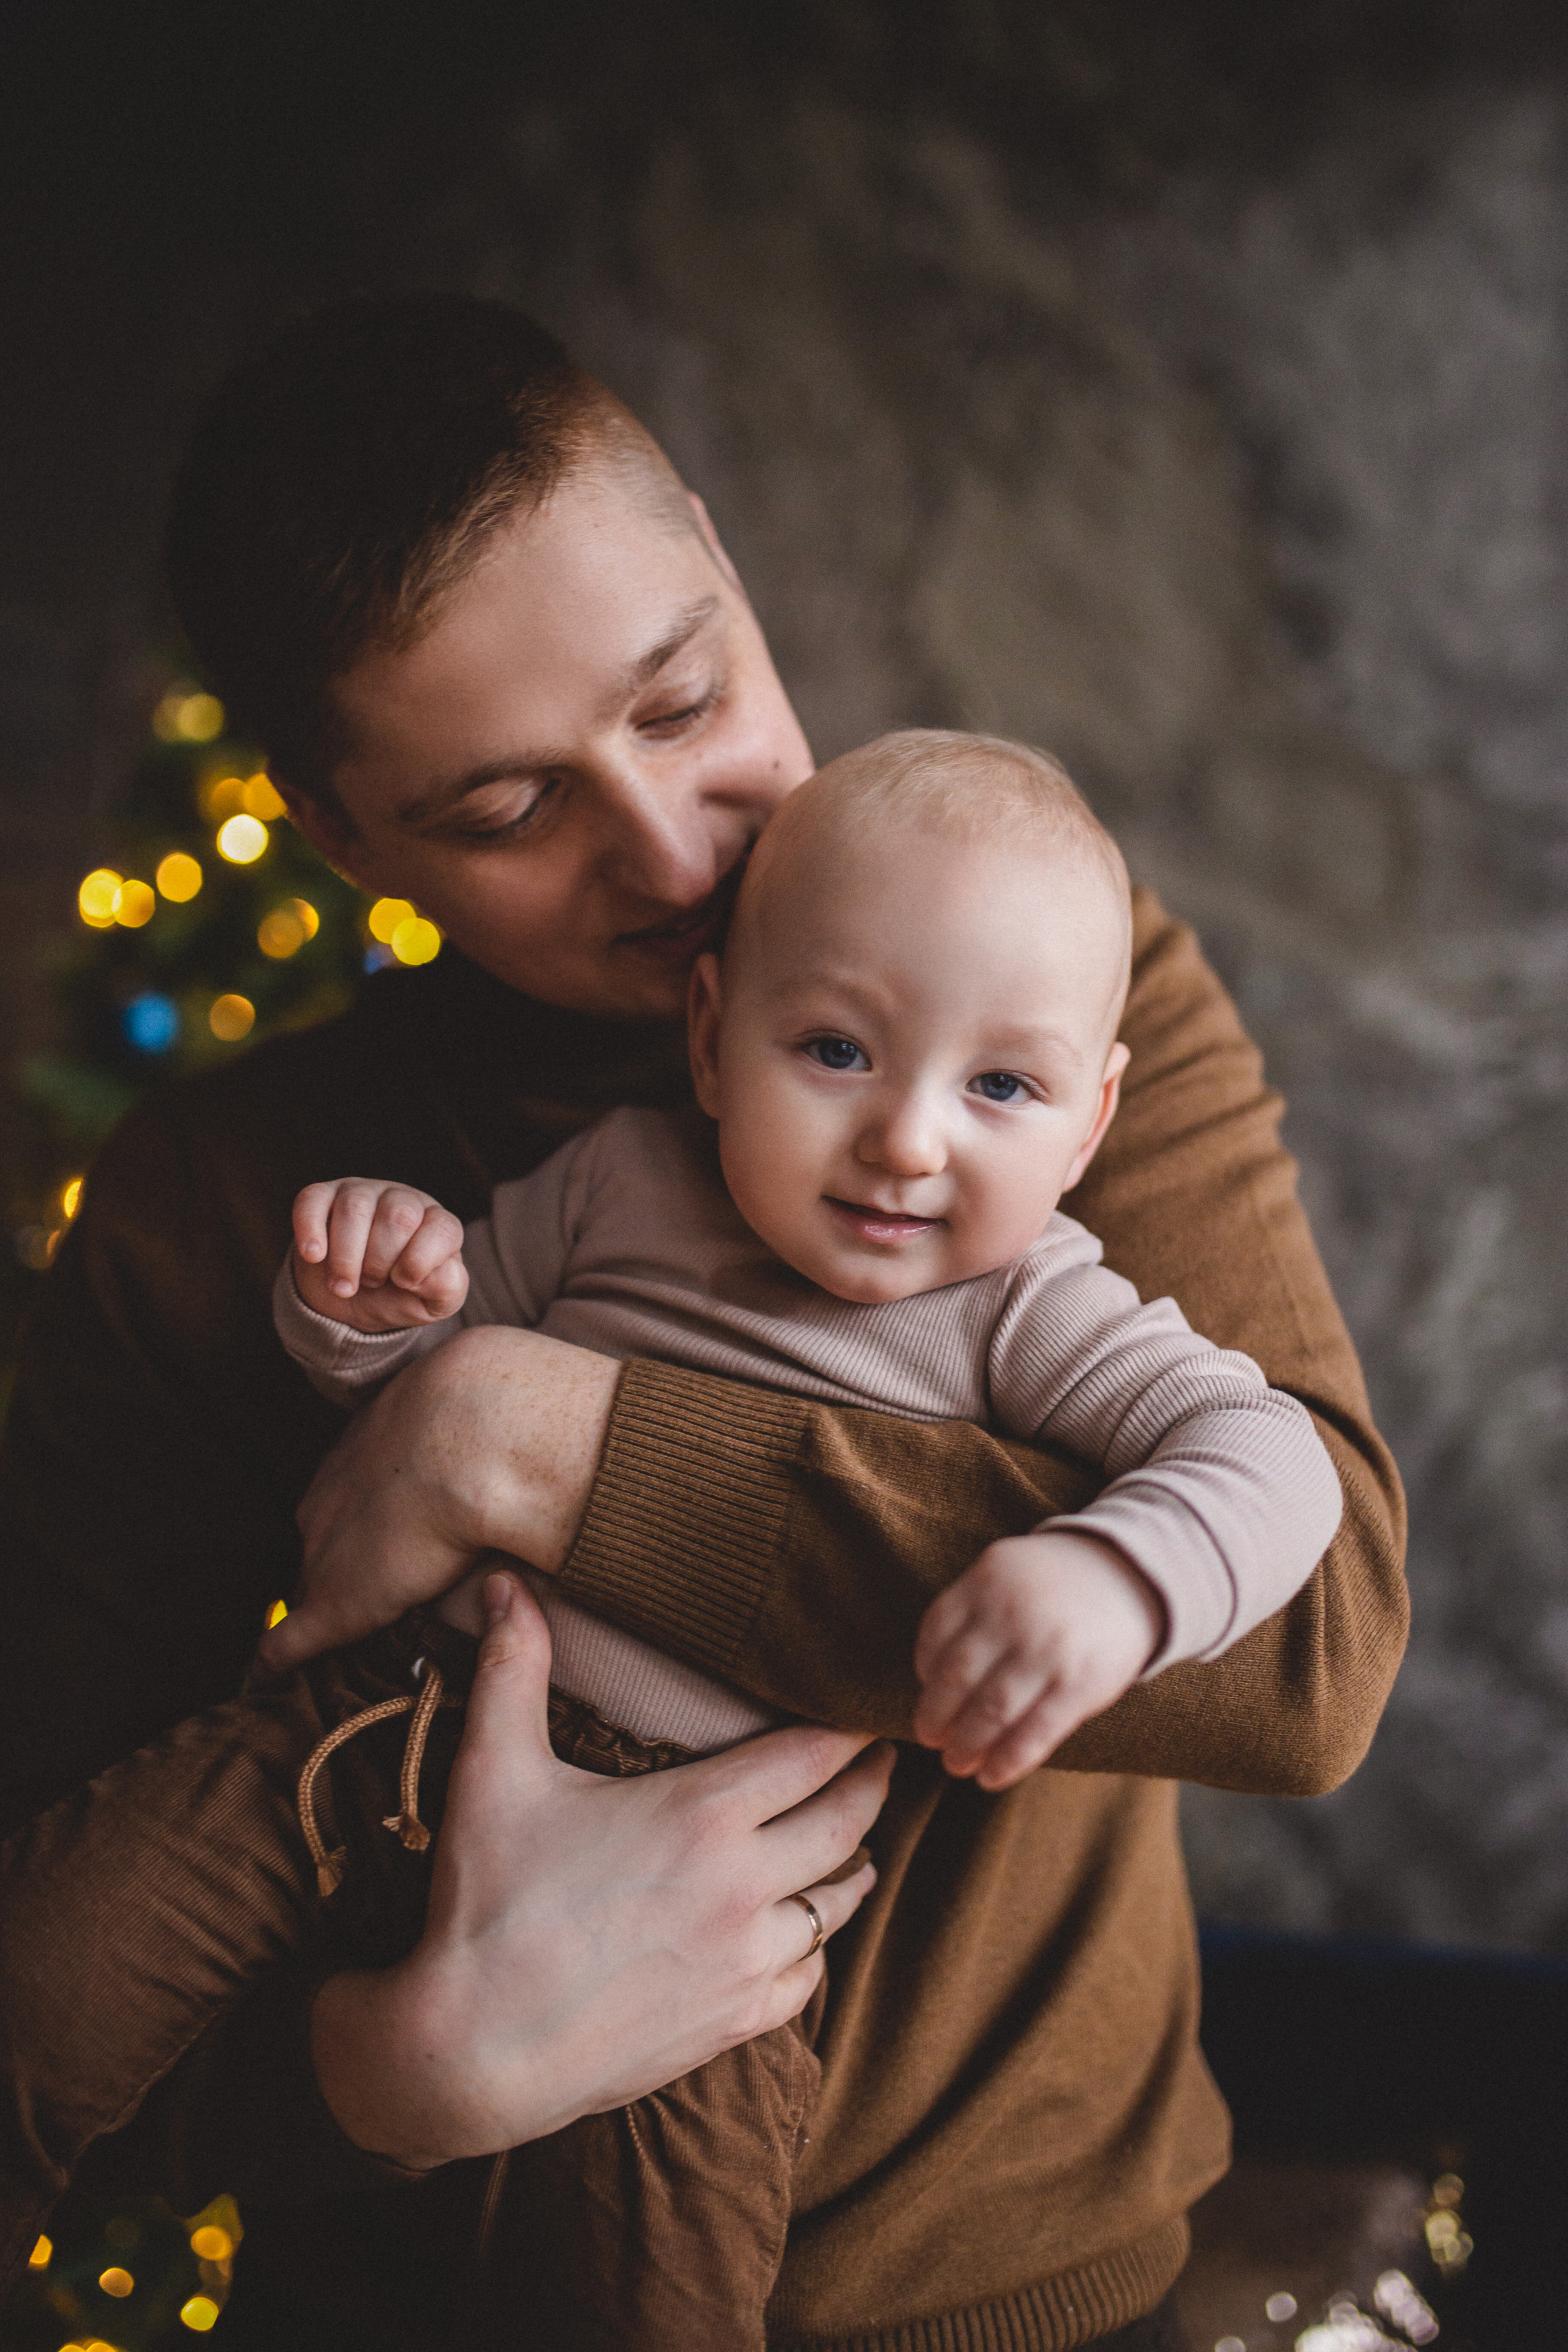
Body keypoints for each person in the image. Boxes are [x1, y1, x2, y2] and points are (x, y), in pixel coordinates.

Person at [0, 296, 1407, 2351]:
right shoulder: (225, 1206)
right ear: (342, 837)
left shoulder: (1045, 1009)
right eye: (506, 811)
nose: (669, 854)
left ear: (729, 578)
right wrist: (400, 2076)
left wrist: (538, 1442)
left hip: (1023, 2290)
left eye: (685, 700)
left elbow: (1310, 1652)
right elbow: (72, 1997)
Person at [254, 729, 1341, 2346]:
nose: (909, 1139)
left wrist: (1116, 1572)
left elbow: (1302, 1561)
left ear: (1089, 1116)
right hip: (401, 2094)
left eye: (680, 700)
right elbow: (405, 1359)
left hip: (908, 2173)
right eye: (503, 795)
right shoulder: (604, 1183)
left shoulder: (1031, 1263)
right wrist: (360, 1320)